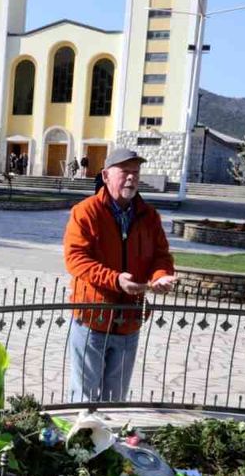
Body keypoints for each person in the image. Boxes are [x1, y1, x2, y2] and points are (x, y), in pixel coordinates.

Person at [63, 147, 176, 403]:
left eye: (135, 172)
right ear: (105, 175)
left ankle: (109, 441)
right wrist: (114, 279)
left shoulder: (149, 216)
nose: (131, 178)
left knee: (116, 399)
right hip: (93, 318)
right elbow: (76, 259)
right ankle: (82, 441)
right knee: (84, 399)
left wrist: (161, 275)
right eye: (125, 172)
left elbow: (161, 256)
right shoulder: (86, 212)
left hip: (129, 321)